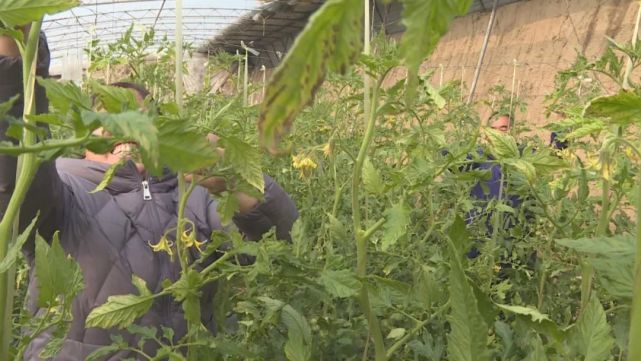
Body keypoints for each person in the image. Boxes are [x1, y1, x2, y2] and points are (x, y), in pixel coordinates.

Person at [0, 32, 298, 360]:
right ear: (85, 141)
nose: (125, 129)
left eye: (138, 119)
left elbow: (278, 245)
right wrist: (14, 56)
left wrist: (238, 184)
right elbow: (15, 178)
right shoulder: (66, 189)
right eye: (109, 117)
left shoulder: (193, 197)